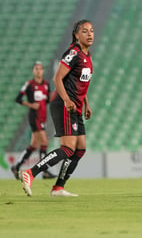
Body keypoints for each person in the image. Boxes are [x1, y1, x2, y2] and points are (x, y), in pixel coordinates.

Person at [19, 20, 94, 197]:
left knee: (80, 149)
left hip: (76, 105)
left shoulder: (87, 55)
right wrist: (67, 100)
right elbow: (57, 79)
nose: (89, 34)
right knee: (68, 148)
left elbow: (80, 83)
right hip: (64, 104)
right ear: (76, 35)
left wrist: (86, 104)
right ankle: (30, 173)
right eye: (85, 31)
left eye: (91, 31)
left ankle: (58, 187)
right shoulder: (73, 52)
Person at [11, 61, 56, 180]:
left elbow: (47, 100)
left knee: (34, 145)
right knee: (44, 143)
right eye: (36, 69)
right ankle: (45, 171)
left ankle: (17, 166)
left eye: (40, 69)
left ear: (43, 71)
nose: (38, 71)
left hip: (43, 116)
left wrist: (55, 95)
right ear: (33, 71)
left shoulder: (46, 85)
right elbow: (18, 99)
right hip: (34, 116)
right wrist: (31, 105)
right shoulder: (29, 84)